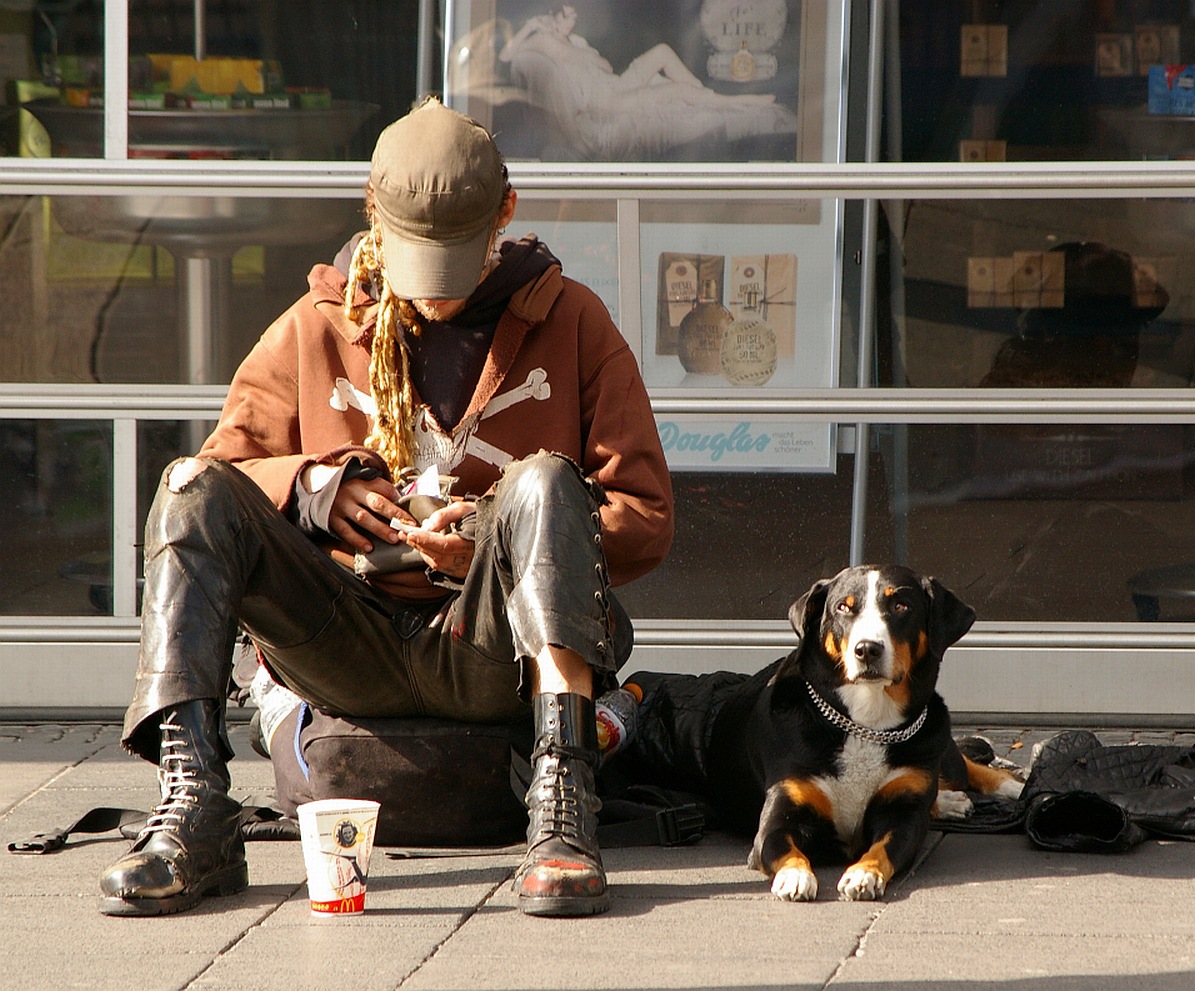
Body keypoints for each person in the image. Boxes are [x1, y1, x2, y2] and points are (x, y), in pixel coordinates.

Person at [97, 98, 675, 920]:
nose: (434, 295)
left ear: (505, 212)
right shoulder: (316, 324)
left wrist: (492, 540)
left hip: (491, 643)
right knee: (189, 487)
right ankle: (193, 804)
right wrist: (315, 491)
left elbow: (644, 516)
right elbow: (221, 481)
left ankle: (561, 799)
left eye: (457, 259)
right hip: (347, 638)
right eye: (418, 261)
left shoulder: (573, 321)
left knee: (545, 481)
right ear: (372, 210)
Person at [495, 4, 794, 160]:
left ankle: (704, 96)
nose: (573, 21)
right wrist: (530, 28)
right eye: (568, 15)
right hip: (607, 101)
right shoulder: (544, 42)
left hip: (614, 84)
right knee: (672, 89)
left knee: (662, 53)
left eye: (574, 16)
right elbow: (508, 55)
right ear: (553, 16)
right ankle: (738, 103)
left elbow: (603, 65)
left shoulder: (574, 40)